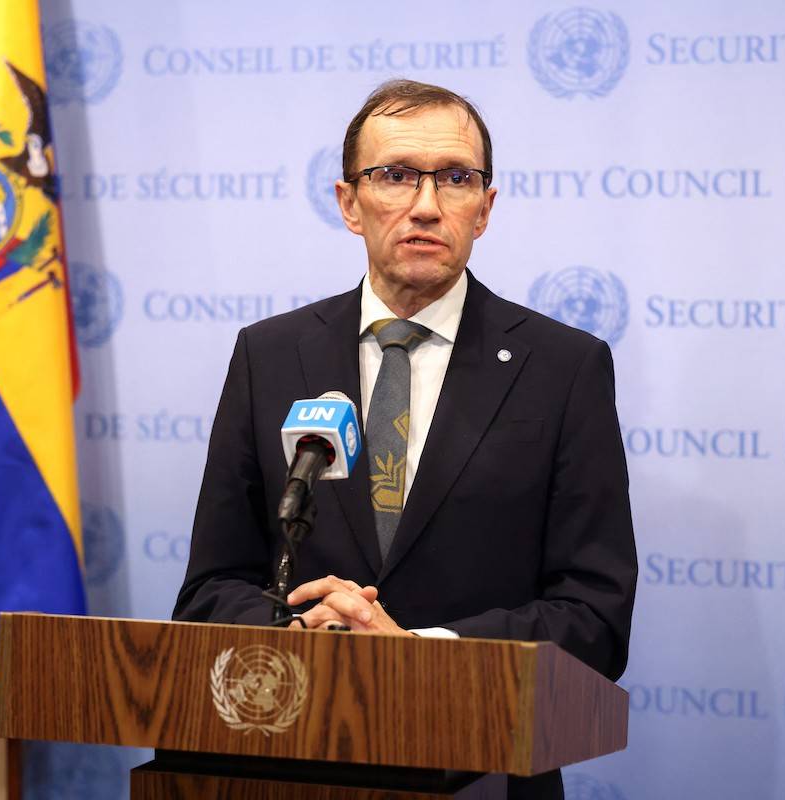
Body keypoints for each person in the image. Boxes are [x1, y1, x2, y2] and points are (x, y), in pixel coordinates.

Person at [173, 79, 637, 799]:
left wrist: (419, 655)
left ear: (485, 208)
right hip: (294, 759)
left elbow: (595, 615)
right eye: (394, 175)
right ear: (349, 203)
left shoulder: (564, 368)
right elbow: (210, 589)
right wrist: (305, 639)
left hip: (481, 765)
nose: (426, 204)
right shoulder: (270, 354)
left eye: (455, 178)